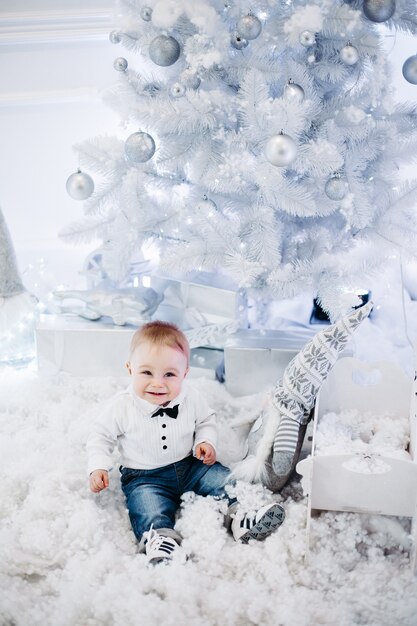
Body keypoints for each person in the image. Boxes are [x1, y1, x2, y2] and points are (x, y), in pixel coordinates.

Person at [87, 320, 285, 563]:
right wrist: (98, 466)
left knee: (222, 479)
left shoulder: (191, 397)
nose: (158, 383)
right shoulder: (122, 406)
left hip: (190, 466)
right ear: (130, 369)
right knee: (148, 507)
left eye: (169, 374)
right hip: (145, 477)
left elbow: (205, 420)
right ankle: (161, 542)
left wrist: (205, 441)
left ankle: (241, 519)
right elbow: (100, 435)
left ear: (185, 374)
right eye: (146, 372)